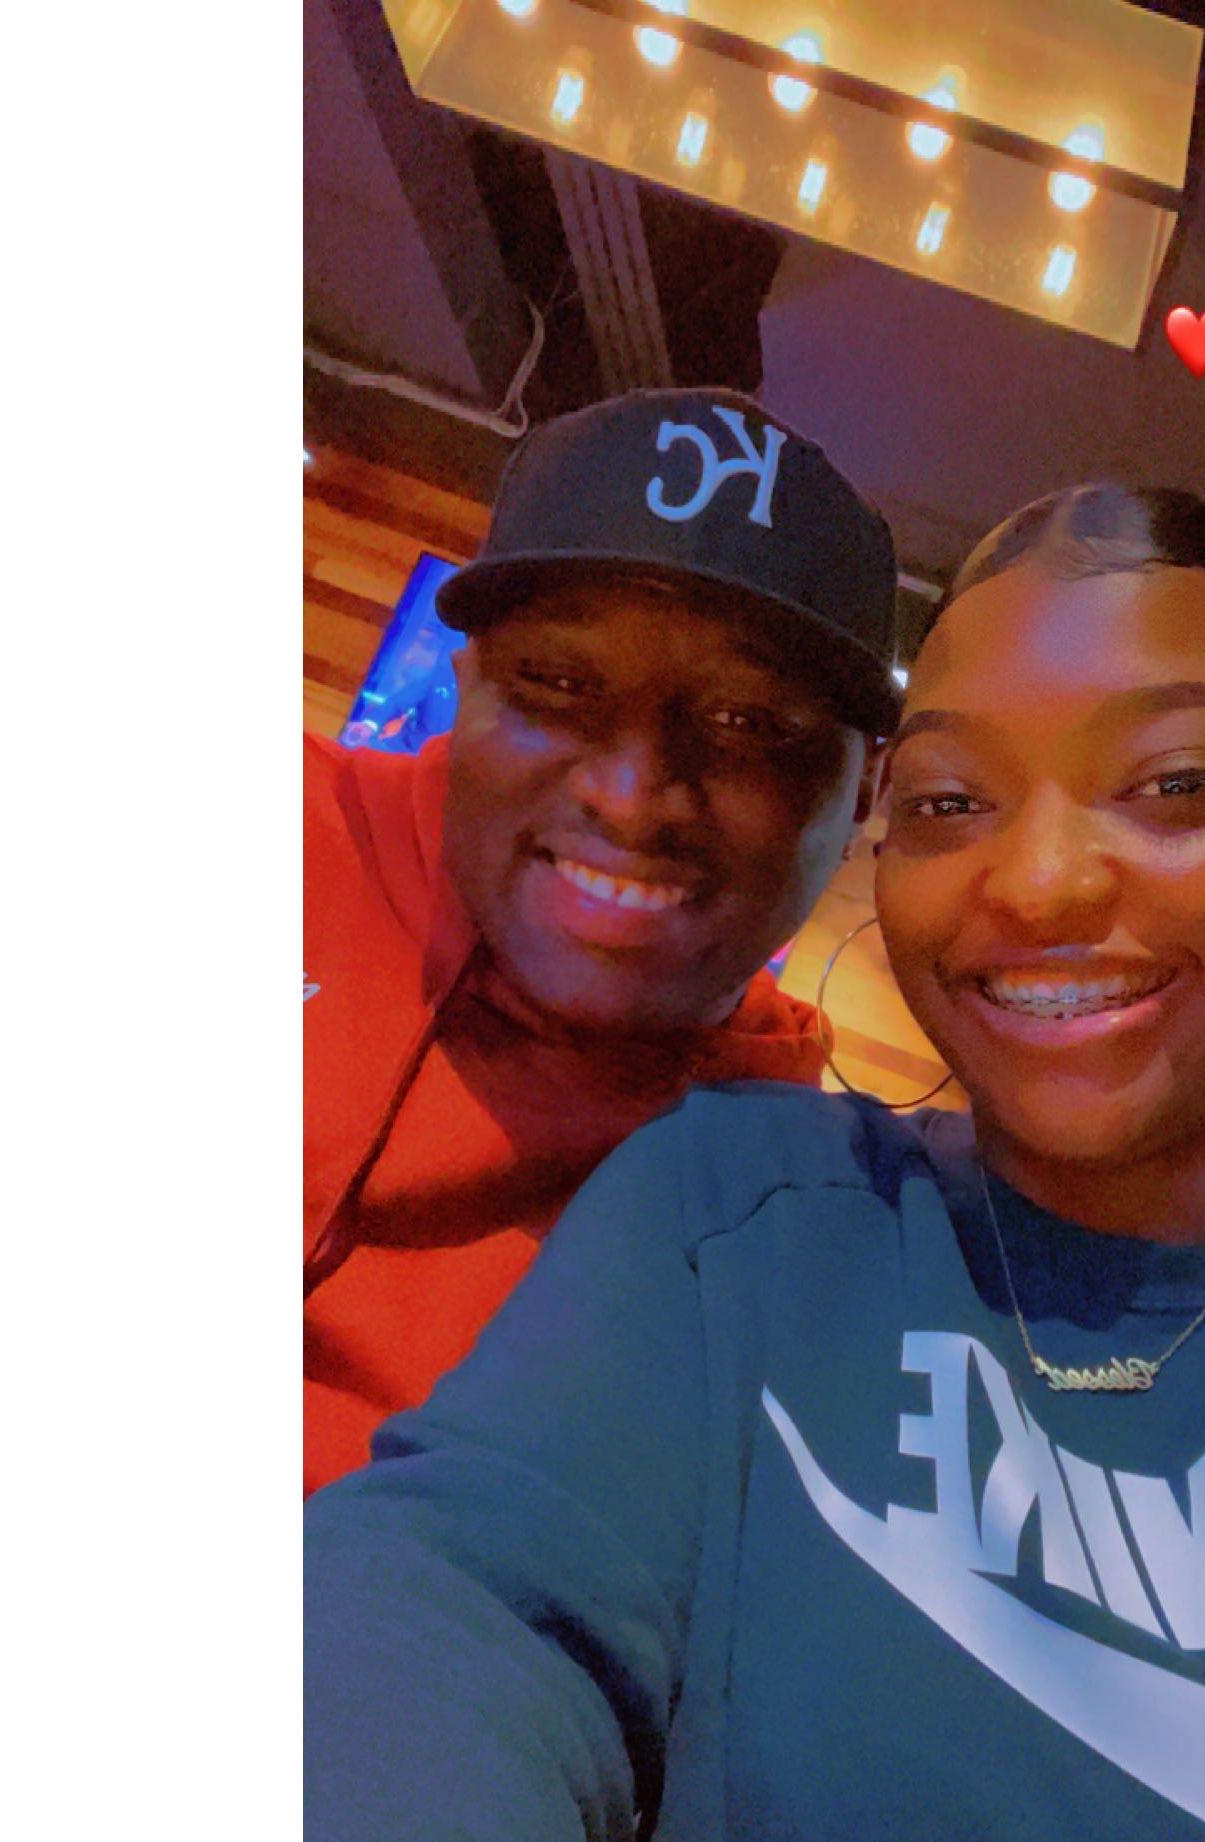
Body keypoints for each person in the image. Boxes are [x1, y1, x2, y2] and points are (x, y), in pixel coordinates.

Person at [304, 485, 1205, 1842]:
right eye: (948, 800)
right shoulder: (745, 1209)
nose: (1035, 880)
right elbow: (466, 1611)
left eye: (1172, 783)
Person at [304, 388, 901, 1493]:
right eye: (560, 683)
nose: (629, 797)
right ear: (467, 686)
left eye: (747, 723)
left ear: (865, 790)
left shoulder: (783, 1238)